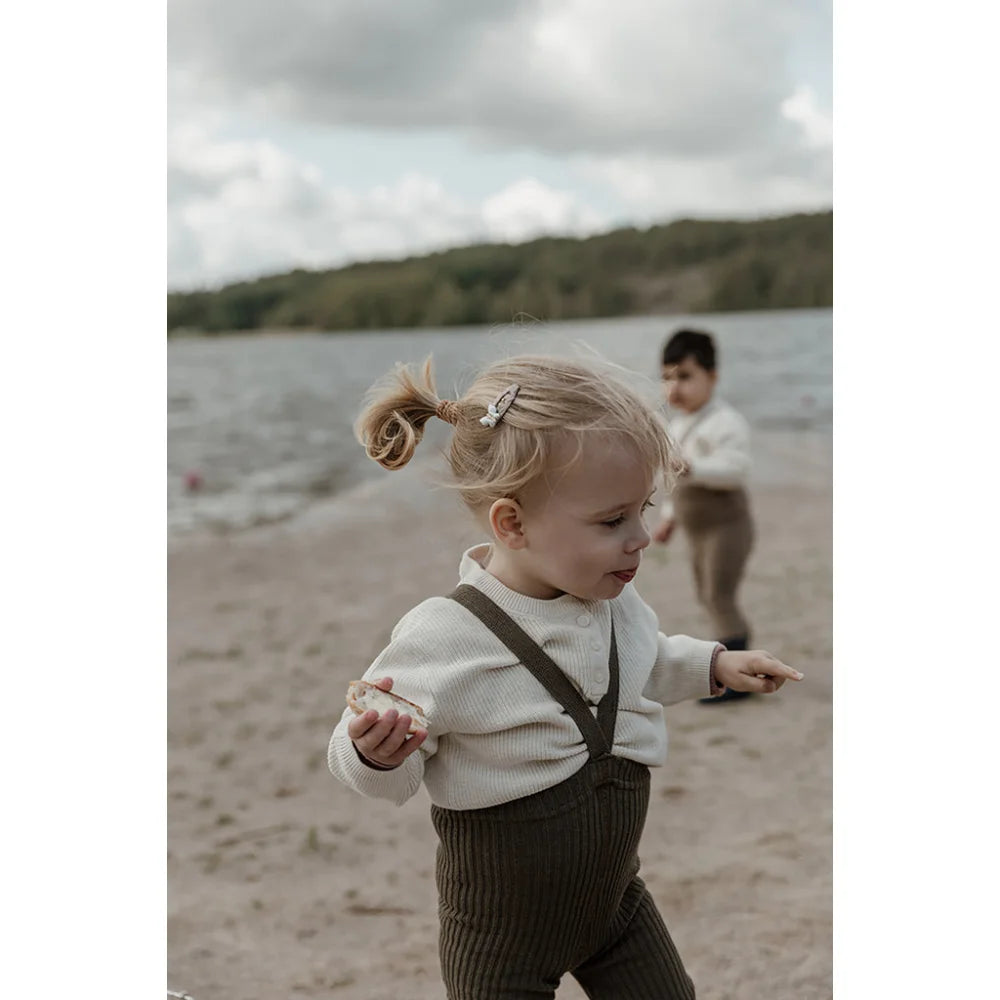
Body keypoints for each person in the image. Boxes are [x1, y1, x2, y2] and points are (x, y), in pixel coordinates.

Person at [327, 353, 802, 999]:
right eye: (612, 521)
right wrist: (372, 753)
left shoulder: (614, 603)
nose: (640, 537)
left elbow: (648, 660)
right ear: (512, 523)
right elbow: (378, 769)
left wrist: (714, 665)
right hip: (500, 937)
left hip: (614, 907)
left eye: (644, 509)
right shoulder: (445, 635)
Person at [652, 329, 756, 704]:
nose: (674, 387)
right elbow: (675, 483)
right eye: (667, 377)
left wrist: (692, 465)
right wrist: (668, 516)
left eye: (684, 377)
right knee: (705, 594)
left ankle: (738, 676)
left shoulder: (726, 422)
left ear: (711, 377)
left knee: (719, 593)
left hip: (727, 526)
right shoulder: (677, 425)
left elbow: (735, 471)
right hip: (696, 529)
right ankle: (730, 666)